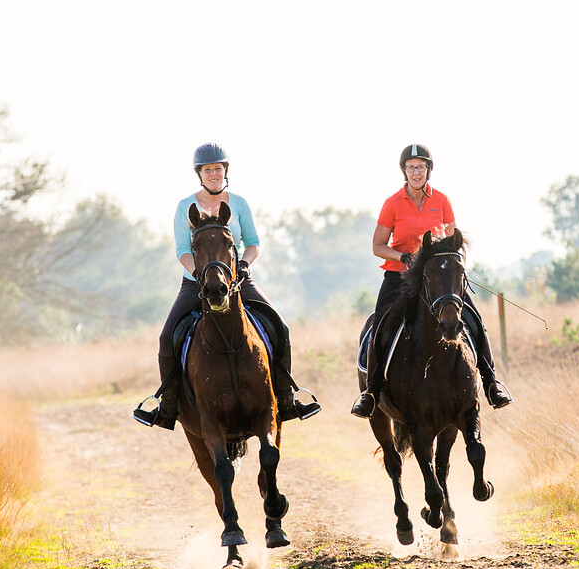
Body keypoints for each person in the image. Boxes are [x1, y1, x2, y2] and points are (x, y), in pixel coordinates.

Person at [134, 142, 321, 429]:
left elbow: (253, 243)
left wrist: (243, 266)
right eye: (208, 170)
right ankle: (168, 406)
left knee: (280, 327)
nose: (213, 174)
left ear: (225, 171)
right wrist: (201, 275)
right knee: (166, 338)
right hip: (196, 282)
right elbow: (182, 250)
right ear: (199, 174)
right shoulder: (185, 206)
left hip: (237, 280)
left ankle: (286, 398)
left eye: (218, 169)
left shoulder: (240, 203)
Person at [350, 143, 514, 419]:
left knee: (474, 319)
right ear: (404, 171)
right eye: (411, 167)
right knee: (380, 325)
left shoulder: (442, 200)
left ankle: (491, 383)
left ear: (429, 170)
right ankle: (372, 392)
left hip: (437, 279)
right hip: (399, 276)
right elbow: (378, 246)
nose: (416, 172)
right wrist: (404, 257)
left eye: (421, 167)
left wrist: (448, 268)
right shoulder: (392, 204)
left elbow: (452, 241)